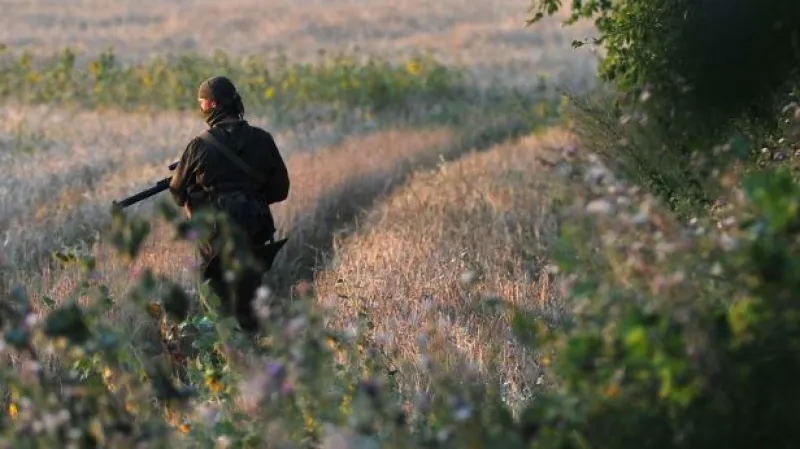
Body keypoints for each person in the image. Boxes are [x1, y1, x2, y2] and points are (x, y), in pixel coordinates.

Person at [168, 75, 290, 335]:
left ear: (212, 105)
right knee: (249, 307)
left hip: (215, 243)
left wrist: (199, 197)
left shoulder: (199, 146)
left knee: (218, 309)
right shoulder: (263, 139)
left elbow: (177, 193)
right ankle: (254, 357)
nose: (200, 108)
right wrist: (248, 198)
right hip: (254, 237)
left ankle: (226, 364)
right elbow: (280, 190)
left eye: (201, 103)